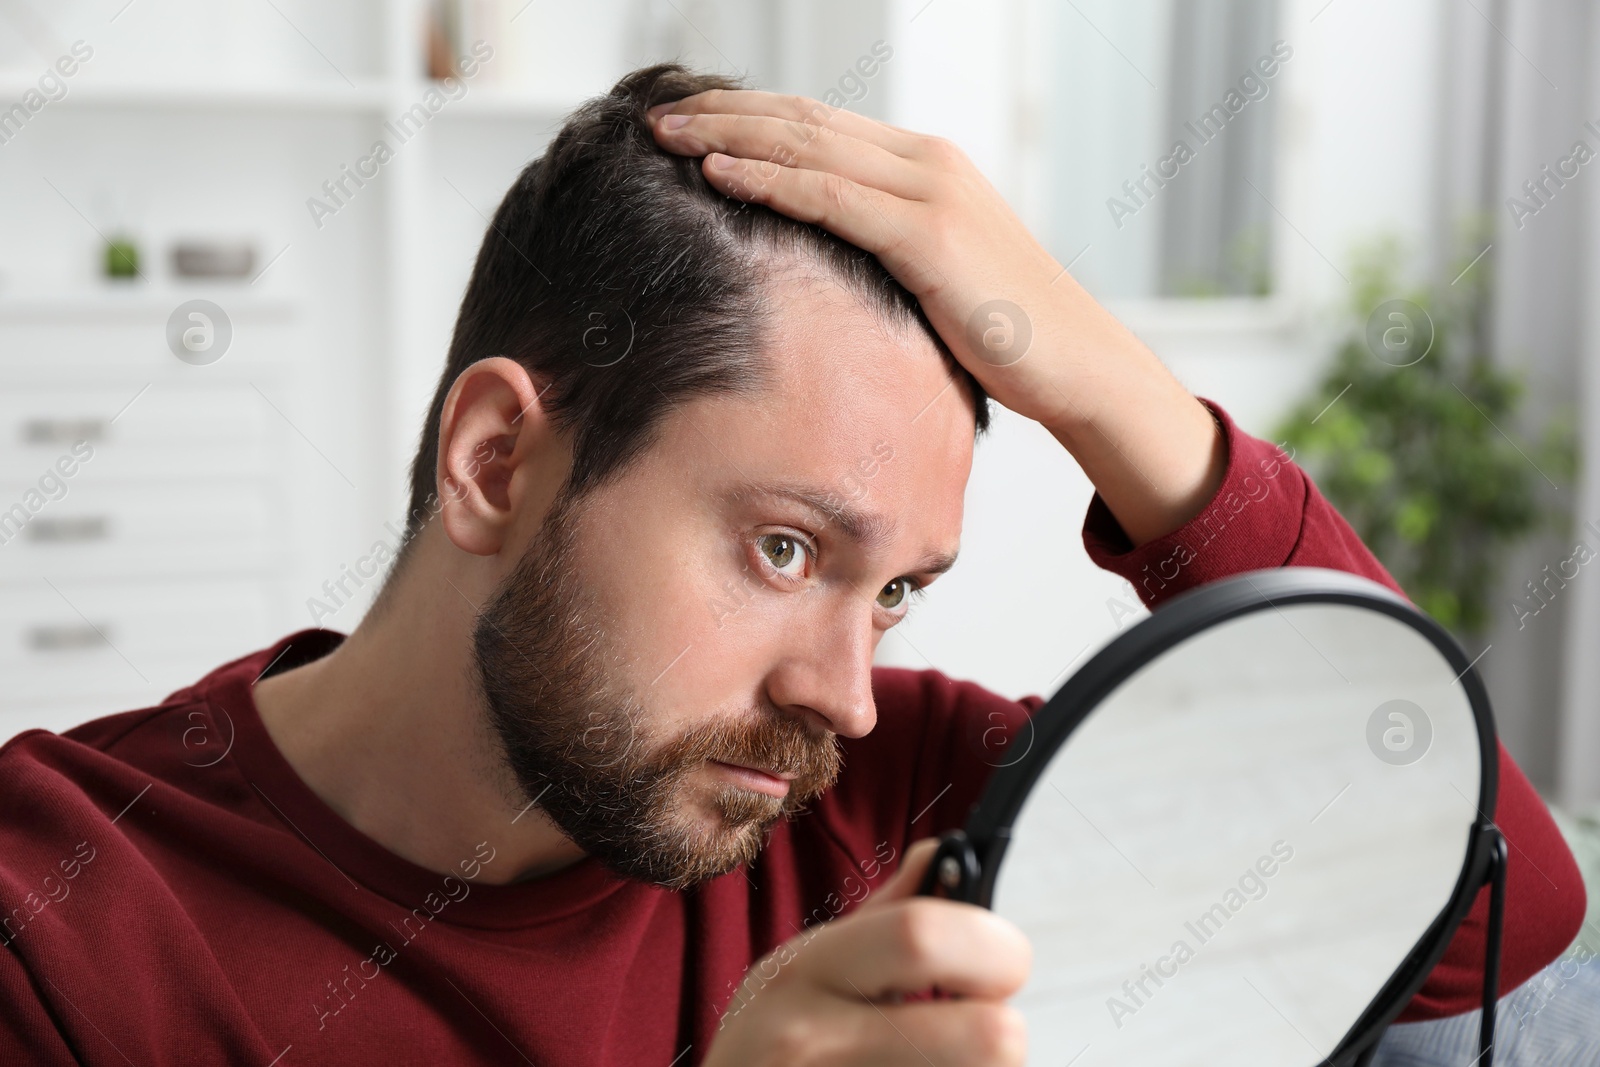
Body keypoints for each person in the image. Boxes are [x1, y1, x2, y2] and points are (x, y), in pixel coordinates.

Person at [0, 64, 1584, 1066]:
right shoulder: (63, 921)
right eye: (785, 548)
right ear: (497, 462)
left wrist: (1115, 391)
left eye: (896, 591)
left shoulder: (887, 815)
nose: (846, 692)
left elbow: (1490, 912)